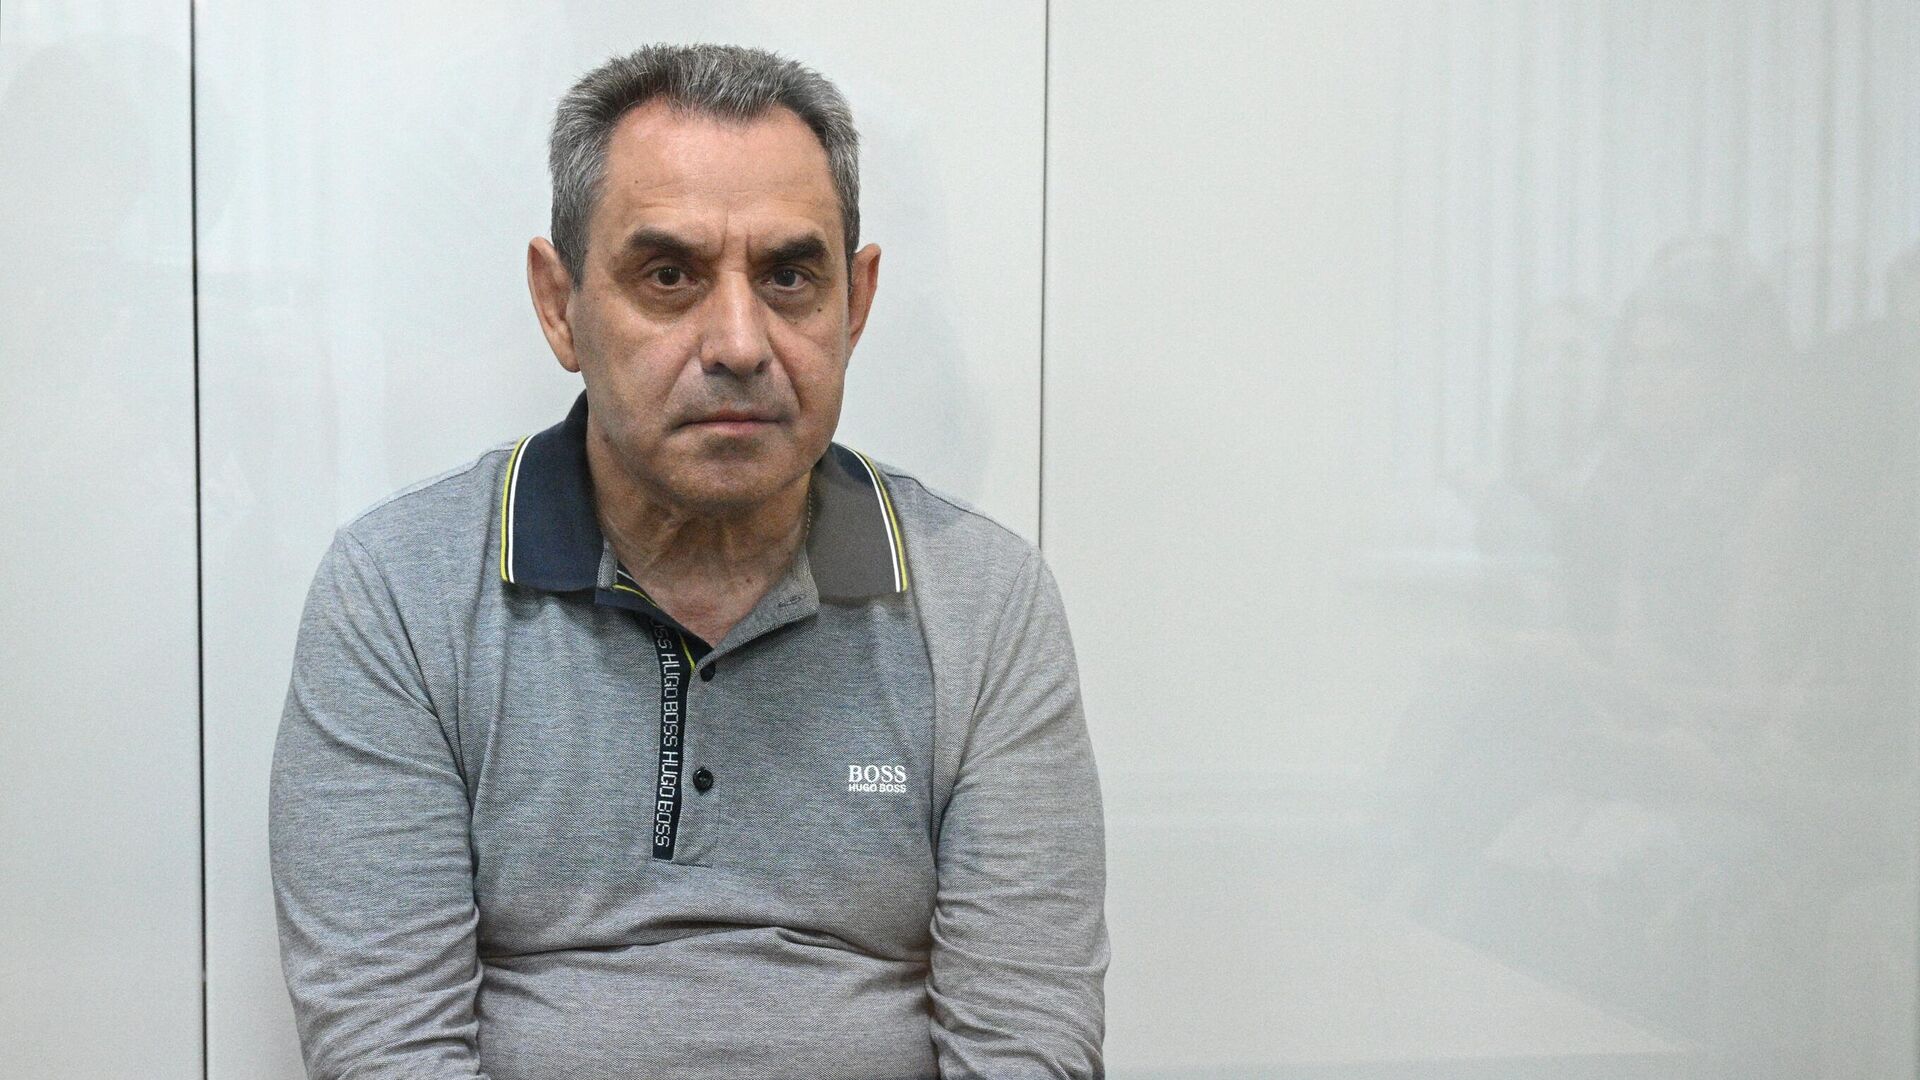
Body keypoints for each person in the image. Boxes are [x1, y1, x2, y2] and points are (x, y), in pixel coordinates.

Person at [268, 43, 1107, 1080]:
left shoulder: (985, 600)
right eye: (669, 276)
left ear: (855, 303)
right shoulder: (399, 593)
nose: (740, 343)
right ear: (559, 304)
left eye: (789, 277)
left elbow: (1027, 1047)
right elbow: (384, 1050)